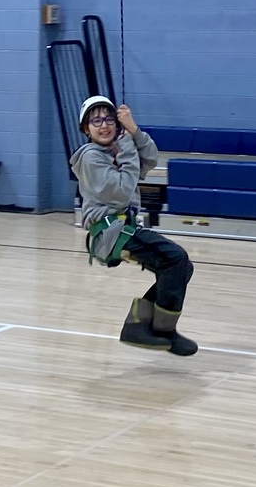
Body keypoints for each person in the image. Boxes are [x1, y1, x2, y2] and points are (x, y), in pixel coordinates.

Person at [70, 95, 198, 357]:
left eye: (108, 119)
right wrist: (127, 145)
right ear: (86, 129)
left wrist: (134, 130)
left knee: (180, 267)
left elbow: (149, 159)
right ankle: (161, 331)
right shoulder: (90, 157)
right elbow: (119, 192)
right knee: (176, 258)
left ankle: (142, 324)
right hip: (109, 232)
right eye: (96, 121)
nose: (104, 125)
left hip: (123, 229)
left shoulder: (114, 151)